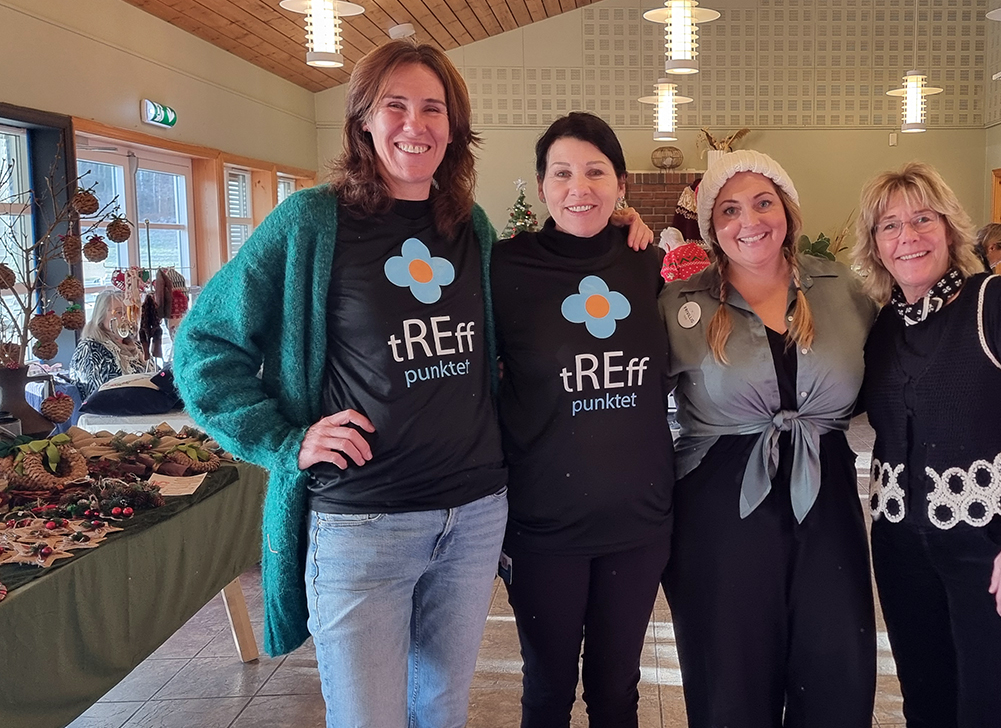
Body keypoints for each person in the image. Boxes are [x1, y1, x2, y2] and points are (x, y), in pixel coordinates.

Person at [174, 39, 512, 728]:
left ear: (454, 127)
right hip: (364, 524)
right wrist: (282, 441)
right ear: (363, 120)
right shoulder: (311, 223)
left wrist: (612, 229)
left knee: (441, 714)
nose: (415, 124)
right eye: (395, 106)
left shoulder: (470, 228)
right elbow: (204, 344)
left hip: (474, 515)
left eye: (433, 108)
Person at [852, 162, 1001, 728]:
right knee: (925, 706)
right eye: (890, 226)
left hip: (997, 545)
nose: (908, 237)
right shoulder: (884, 328)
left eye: (922, 219)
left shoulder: (996, 303)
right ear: (875, 245)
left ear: (949, 229)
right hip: (901, 551)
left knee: (992, 710)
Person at [659, 150, 877, 727]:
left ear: (788, 210)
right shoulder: (681, 304)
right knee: (730, 684)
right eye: (729, 210)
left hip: (827, 503)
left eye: (763, 203)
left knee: (836, 672)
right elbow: (630, 405)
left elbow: (898, 377)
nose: (749, 221)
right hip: (718, 513)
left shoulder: (844, 289)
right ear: (711, 227)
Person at [491, 112, 674, 727]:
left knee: (617, 689)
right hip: (543, 524)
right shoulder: (504, 268)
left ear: (621, 184)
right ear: (542, 185)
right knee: (548, 689)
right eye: (562, 173)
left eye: (596, 172)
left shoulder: (649, 265)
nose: (580, 188)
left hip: (639, 519)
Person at [71, 289, 149, 398]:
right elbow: (100, 394)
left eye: (128, 312)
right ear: (101, 316)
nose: (125, 318)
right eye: (119, 312)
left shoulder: (137, 346)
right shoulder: (90, 349)